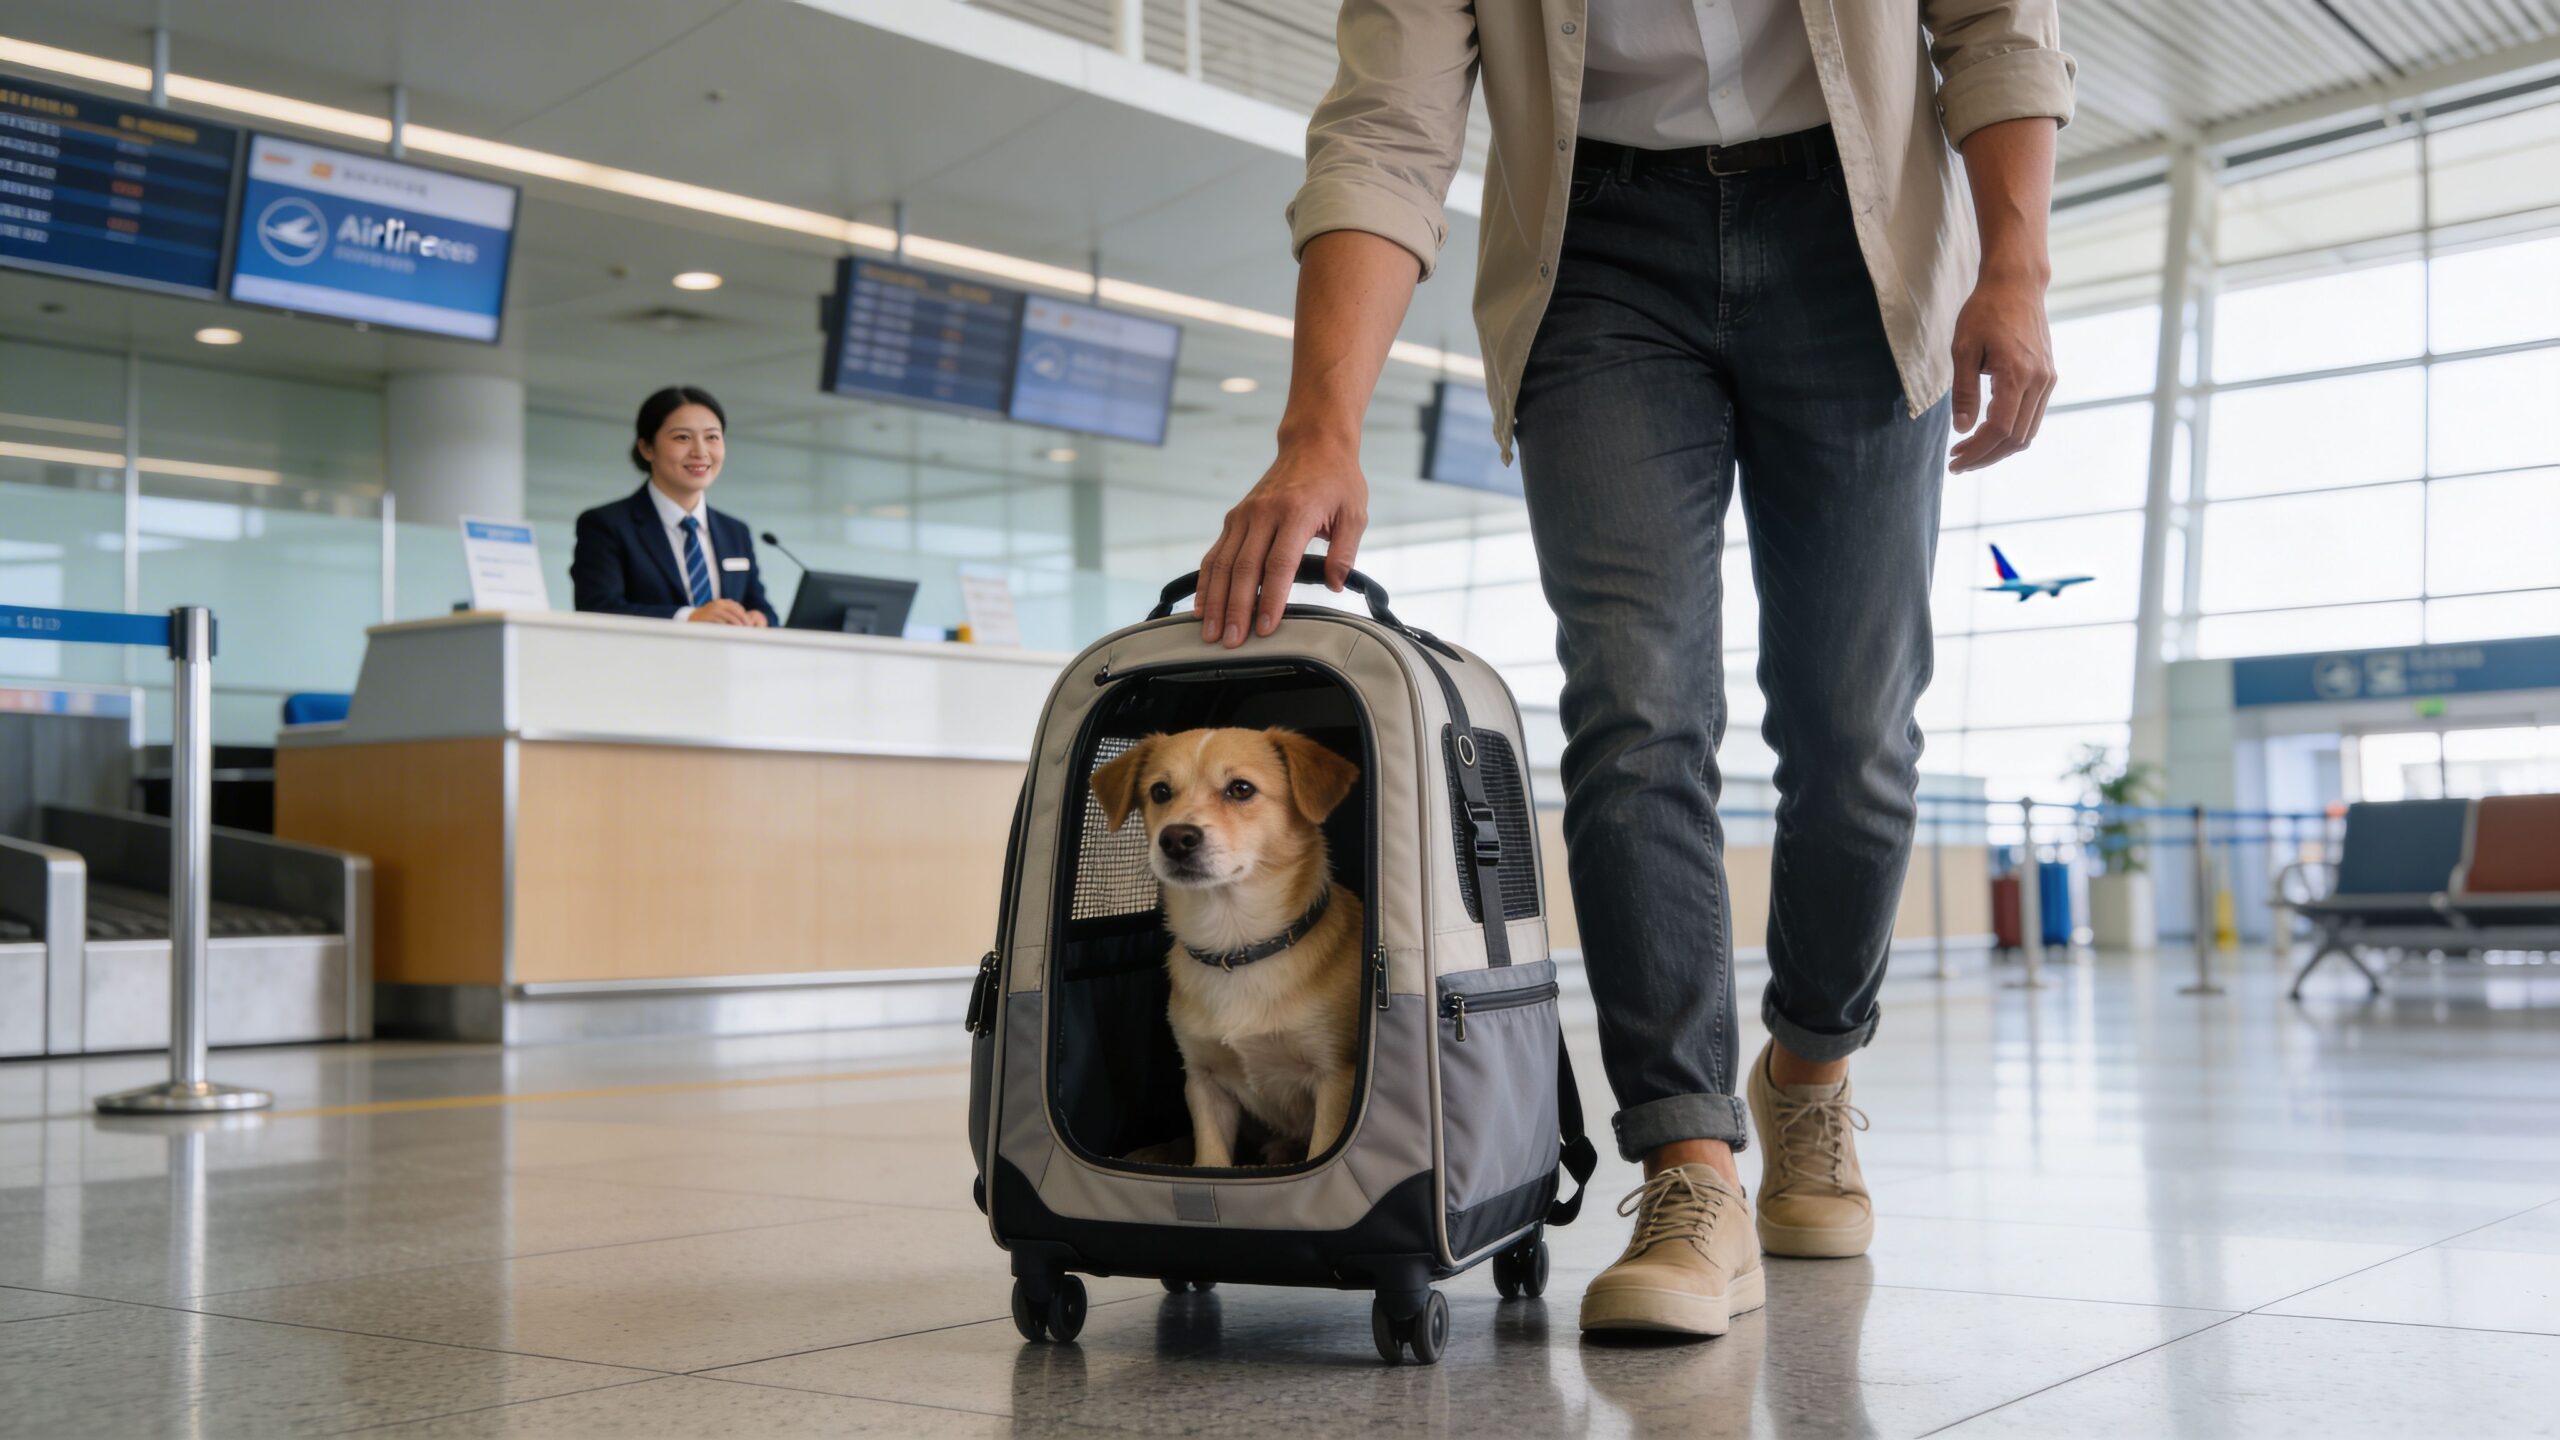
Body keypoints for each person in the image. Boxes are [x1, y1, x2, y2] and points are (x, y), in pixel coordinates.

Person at [1198, 0, 2073, 1336]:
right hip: (1596, 248)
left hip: (1864, 227)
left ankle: (1812, 1070)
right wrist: (1321, 424)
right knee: (1636, 713)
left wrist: (2014, 262)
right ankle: (1690, 1165)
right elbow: (1389, 125)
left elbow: (1999, 25)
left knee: (1854, 737)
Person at [572, 385, 778, 627]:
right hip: (642, 662)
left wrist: (759, 618)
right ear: (647, 448)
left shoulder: (735, 532)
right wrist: (689, 617)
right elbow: (598, 608)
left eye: (712, 437)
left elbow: (761, 606)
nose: (700, 452)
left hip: (723, 663)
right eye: (683, 437)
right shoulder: (607, 525)